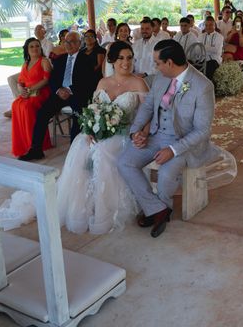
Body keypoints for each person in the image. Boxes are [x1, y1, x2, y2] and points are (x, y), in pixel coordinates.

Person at [117, 39, 218, 238]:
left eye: (158, 62)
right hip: (155, 135)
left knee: (165, 175)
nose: (155, 66)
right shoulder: (160, 79)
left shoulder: (202, 86)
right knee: (124, 162)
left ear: (170, 63)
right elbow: (147, 107)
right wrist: (136, 131)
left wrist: (172, 150)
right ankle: (158, 210)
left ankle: (157, 210)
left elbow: (202, 130)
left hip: (184, 142)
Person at [56, 41, 149, 234]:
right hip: (100, 131)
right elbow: (94, 111)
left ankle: (103, 209)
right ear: (112, 60)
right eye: (121, 58)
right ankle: (83, 204)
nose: (126, 62)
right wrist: (89, 129)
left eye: (130, 58)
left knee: (102, 151)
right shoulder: (103, 82)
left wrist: (143, 133)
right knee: (81, 144)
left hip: (125, 133)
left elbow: (148, 114)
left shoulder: (138, 82)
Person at [18, 31, 97, 160]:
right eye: (66, 42)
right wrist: (58, 90)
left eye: (72, 41)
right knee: (42, 113)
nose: (68, 44)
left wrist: (69, 90)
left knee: (78, 116)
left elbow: (89, 82)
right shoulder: (60, 59)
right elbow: (53, 79)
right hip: (59, 94)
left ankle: (74, 152)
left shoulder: (87, 59)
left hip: (77, 94)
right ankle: (36, 149)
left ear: (79, 43)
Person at [11, 38, 53, 157]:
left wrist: (30, 90)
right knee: (15, 105)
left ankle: (34, 143)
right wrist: (21, 89)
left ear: (41, 48)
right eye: (32, 47)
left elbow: (46, 80)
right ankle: (23, 141)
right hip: (28, 93)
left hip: (41, 92)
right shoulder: (26, 63)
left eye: (37, 46)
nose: (35, 48)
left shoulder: (44, 61)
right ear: (27, 50)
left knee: (27, 106)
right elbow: (20, 82)